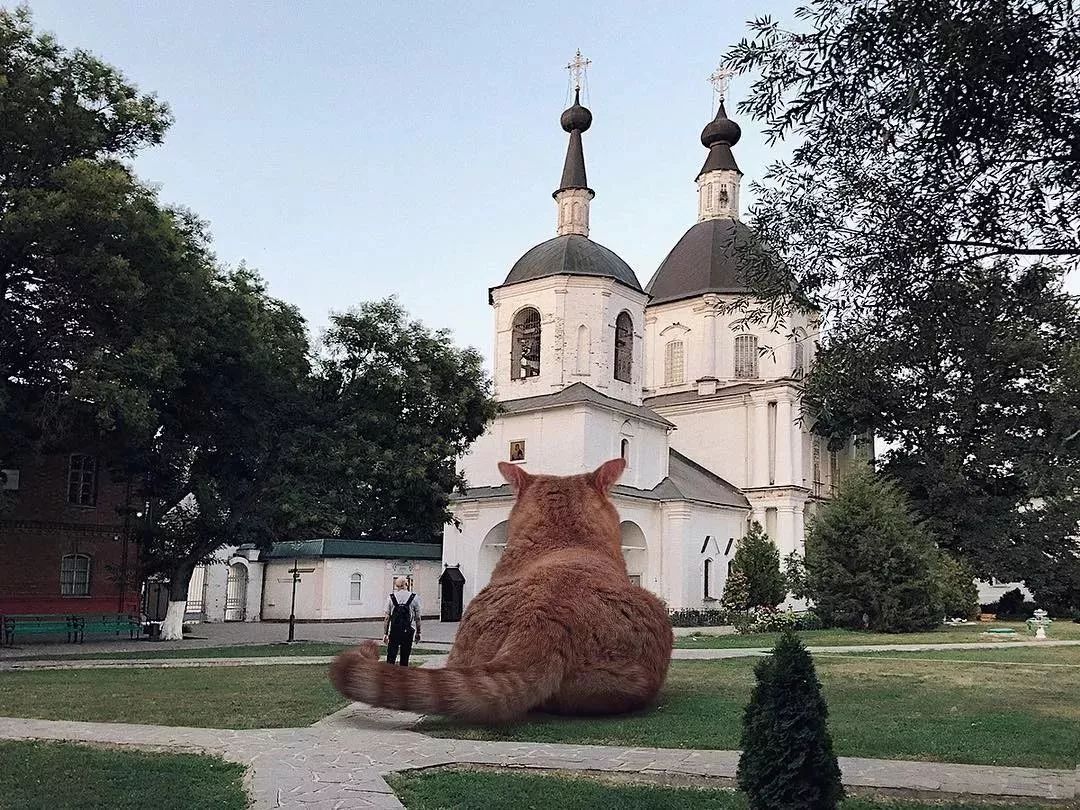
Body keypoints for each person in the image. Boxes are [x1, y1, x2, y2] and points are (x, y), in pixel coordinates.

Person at [383, 576, 421, 666]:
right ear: (406, 584)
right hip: (408, 631)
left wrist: (385, 633)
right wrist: (418, 632)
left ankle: (389, 677)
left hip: (395, 630)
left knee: (391, 657)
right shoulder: (414, 598)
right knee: (405, 657)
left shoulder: (391, 598)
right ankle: (403, 677)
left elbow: (387, 618)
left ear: (396, 586)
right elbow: (418, 618)